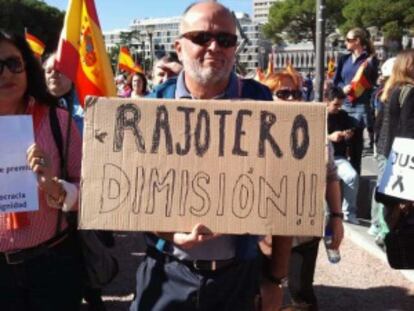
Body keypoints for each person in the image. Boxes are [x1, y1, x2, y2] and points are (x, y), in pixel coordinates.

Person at [129, 2, 292, 311]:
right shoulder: (150, 107)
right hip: (166, 273)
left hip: (237, 278)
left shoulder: (261, 101)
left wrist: (275, 280)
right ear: (178, 47)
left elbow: (283, 197)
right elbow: (132, 196)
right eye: (201, 37)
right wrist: (170, 233)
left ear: (235, 48)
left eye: (226, 40)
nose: (214, 47)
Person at [0, 30, 83, 311]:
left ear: (26, 66)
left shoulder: (58, 121)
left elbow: (94, 194)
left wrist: (57, 189)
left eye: (13, 63)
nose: (6, 73)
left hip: (51, 263)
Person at [258, 68, 344, 311]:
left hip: (303, 230)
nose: (291, 99)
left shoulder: (316, 132)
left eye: (295, 93)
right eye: (282, 93)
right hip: (261, 229)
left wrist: (337, 218)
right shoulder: (251, 133)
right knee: (260, 292)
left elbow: (330, 175)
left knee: (301, 294)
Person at [44, 52, 116, 311]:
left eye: (59, 69)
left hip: (88, 191)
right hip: (50, 200)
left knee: (91, 250)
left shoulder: (90, 106)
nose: (53, 73)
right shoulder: (33, 109)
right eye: (48, 70)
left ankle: (95, 296)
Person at [374, 49, 414, 243]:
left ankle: (385, 233)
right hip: (403, 155)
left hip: (388, 151)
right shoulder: (410, 91)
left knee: (391, 201)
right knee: (402, 205)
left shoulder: (393, 88)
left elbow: (380, 122)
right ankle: (391, 237)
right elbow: (409, 130)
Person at [333, 27, 378, 174]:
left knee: (355, 146)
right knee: (341, 144)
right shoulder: (343, 58)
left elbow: (371, 82)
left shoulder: (370, 60)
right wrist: (343, 87)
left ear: (357, 41)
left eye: (348, 40)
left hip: (359, 106)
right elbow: (336, 80)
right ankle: (343, 178)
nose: (345, 42)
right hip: (344, 104)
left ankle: (355, 181)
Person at [368, 57, 395, 241]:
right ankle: (377, 225)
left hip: (383, 144)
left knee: (382, 185)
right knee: (383, 187)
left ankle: (376, 224)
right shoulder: (385, 94)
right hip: (386, 146)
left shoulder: (384, 93)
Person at [325, 85, 360, 224]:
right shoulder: (318, 115)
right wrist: (328, 137)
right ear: (326, 101)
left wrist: (347, 134)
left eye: (340, 104)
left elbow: (350, 129)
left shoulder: (343, 115)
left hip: (337, 158)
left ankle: (349, 213)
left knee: (352, 176)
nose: (338, 108)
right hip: (321, 157)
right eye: (335, 104)